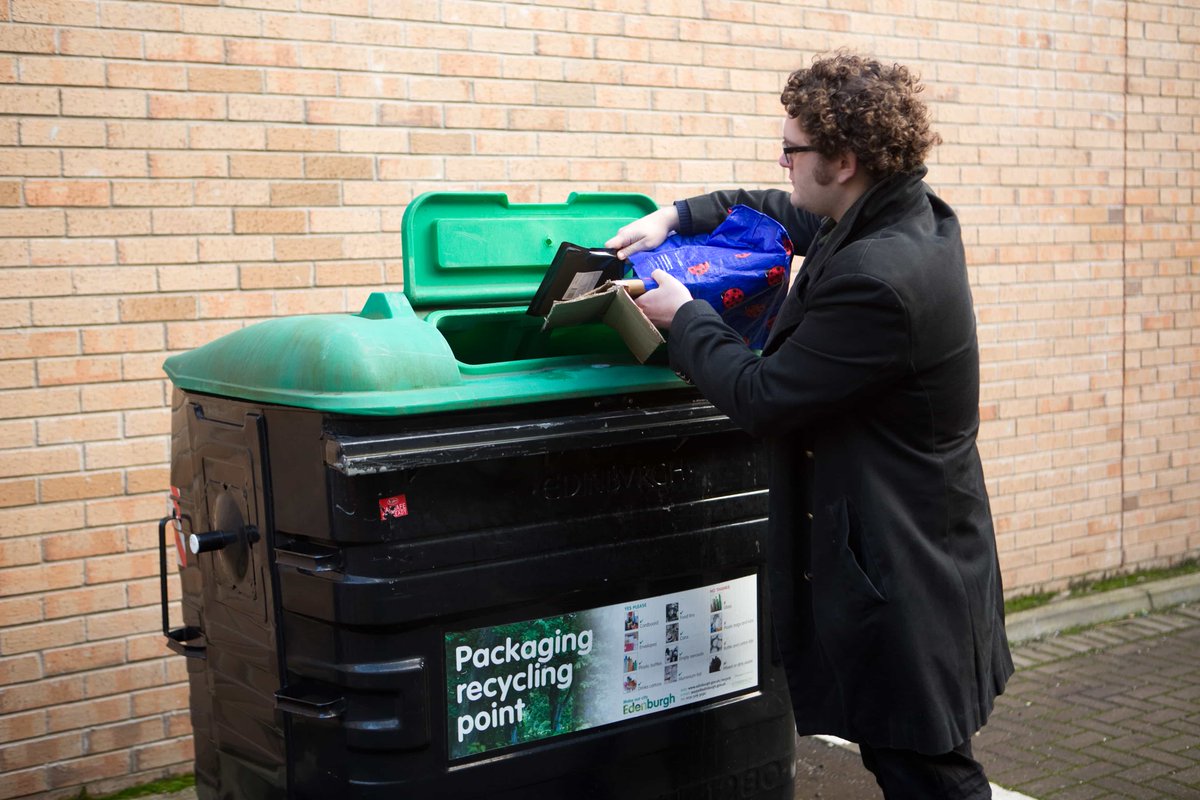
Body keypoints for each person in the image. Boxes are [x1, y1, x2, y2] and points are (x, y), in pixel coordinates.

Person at [606, 52, 1013, 800]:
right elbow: (785, 209)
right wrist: (676, 215)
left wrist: (686, 318)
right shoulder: (889, 212)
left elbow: (763, 395)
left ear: (845, 160)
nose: (782, 161)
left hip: (904, 559)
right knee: (910, 752)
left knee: (923, 765)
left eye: (792, 149)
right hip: (912, 534)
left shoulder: (879, 280)